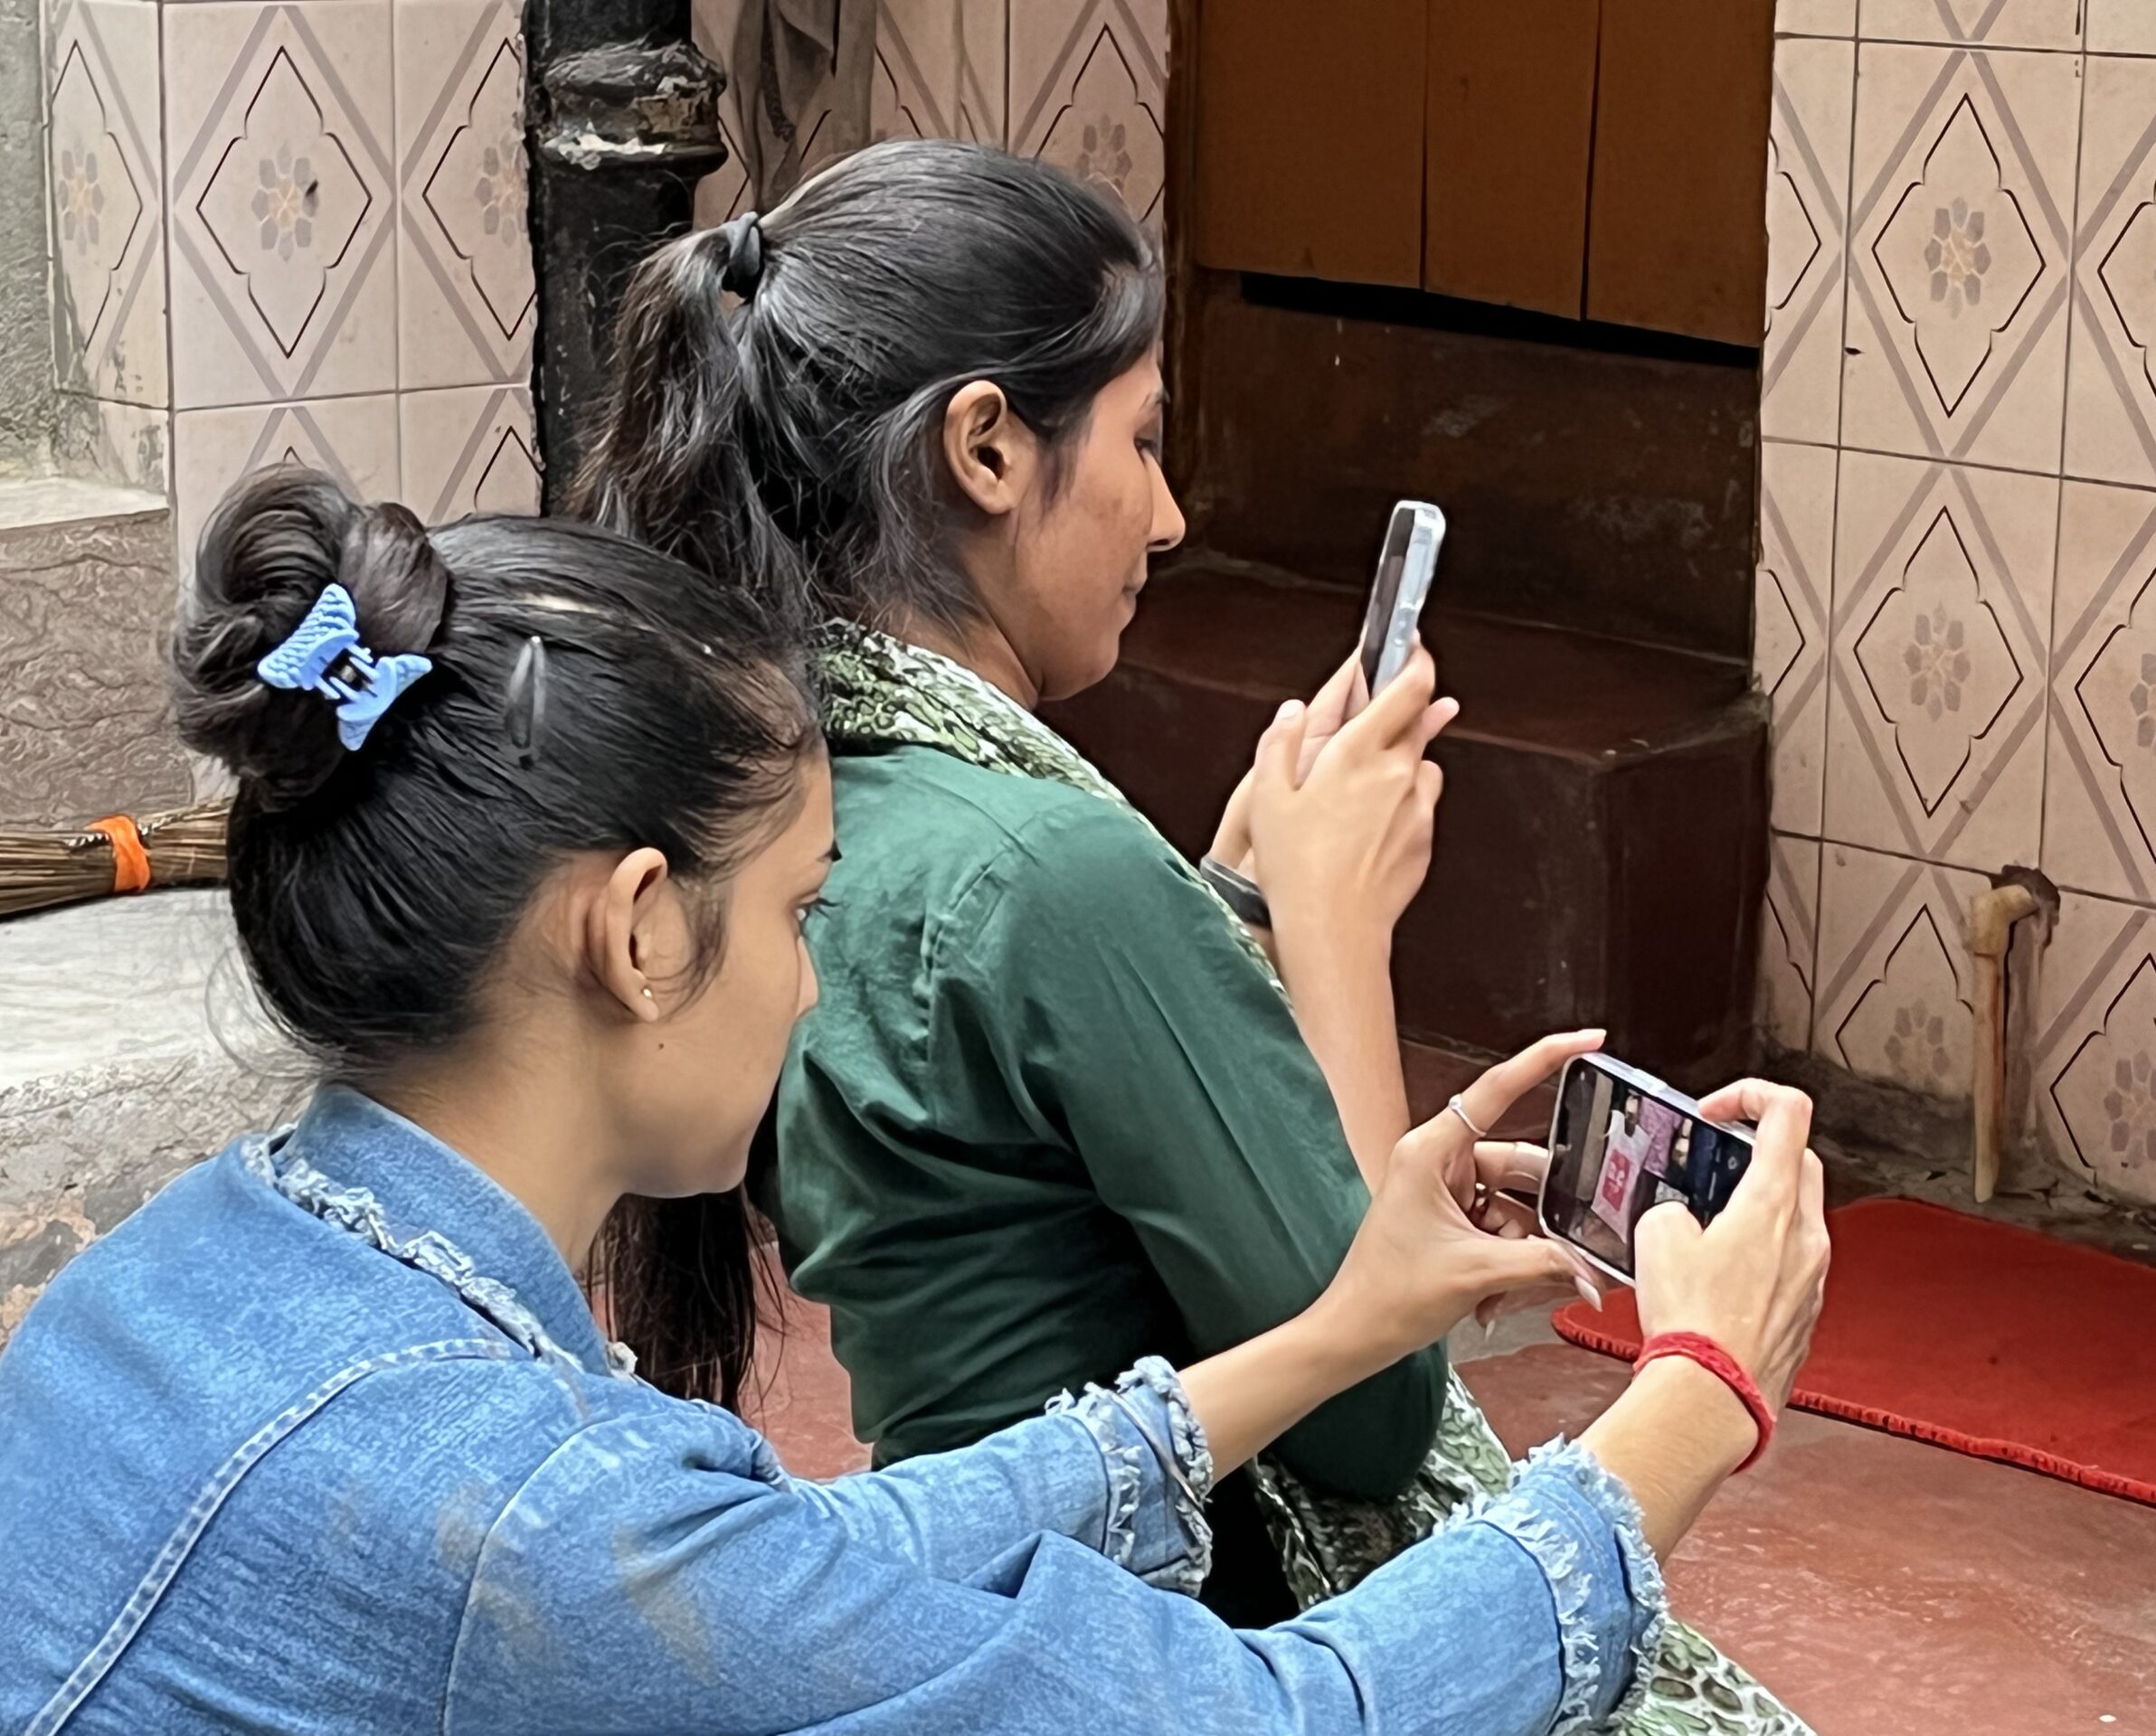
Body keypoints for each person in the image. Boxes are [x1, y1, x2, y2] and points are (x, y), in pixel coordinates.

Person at [0, 470, 1831, 1733]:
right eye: (797, 911)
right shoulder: (540, 1523)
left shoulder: (184, 1270)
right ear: (638, 929)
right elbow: (1284, 1715)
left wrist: (1337, 1324)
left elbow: (802, 1572)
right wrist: (1695, 1394)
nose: (814, 976)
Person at [577, 137, 1814, 1727]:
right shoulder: (1044, 864)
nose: (1166, 517)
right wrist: (1330, 936)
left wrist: (1217, 908)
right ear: (986, 449)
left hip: (975, 1602)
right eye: (1143, 444)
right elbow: (1369, 1410)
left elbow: (1039, 1178)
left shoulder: (802, 809)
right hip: (1168, 1648)